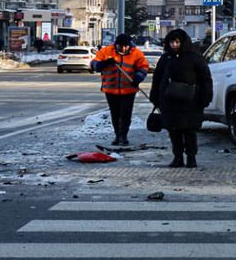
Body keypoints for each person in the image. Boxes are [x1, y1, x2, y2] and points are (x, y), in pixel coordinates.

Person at [150, 28, 212, 168]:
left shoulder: (195, 57)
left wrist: (206, 97)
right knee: (174, 131)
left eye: (177, 42)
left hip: (191, 102)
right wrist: (155, 97)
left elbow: (206, 79)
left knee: (190, 131)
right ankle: (177, 157)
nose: (174, 45)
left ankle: (191, 158)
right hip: (169, 102)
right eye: (172, 42)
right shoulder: (165, 58)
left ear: (183, 42)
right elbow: (157, 78)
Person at [90, 33, 151, 146]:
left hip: (129, 90)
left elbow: (143, 67)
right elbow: (94, 65)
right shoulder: (107, 51)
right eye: (120, 46)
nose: (123, 48)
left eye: (125, 46)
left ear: (129, 45)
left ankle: (124, 136)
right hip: (111, 89)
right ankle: (118, 136)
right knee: (115, 114)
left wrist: (138, 78)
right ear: (116, 45)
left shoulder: (136, 53)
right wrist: (105, 63)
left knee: (125, 114)